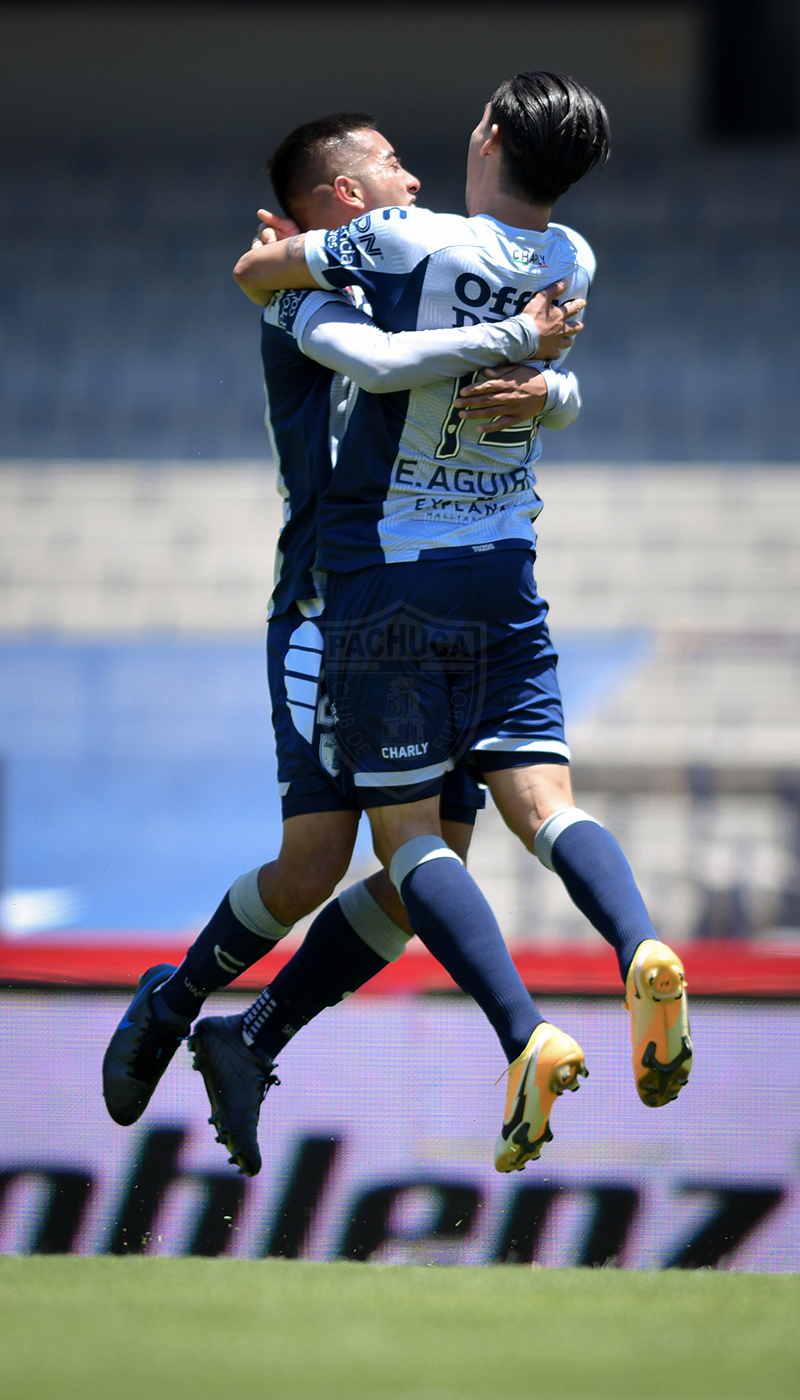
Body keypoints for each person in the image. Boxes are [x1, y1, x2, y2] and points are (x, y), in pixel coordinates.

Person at [210, 71, 692, 1176]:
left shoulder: (403, 239)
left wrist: (285, 256)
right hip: (506, 569)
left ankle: (524, 1034)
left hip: (394, 578)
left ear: (488, 138)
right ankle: (638, 944)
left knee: (409, 840)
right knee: (547, 805)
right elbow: (551, 383)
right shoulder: (573, 260)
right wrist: (544, 378)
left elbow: (265, 276)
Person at [101, 111, 585, 1173]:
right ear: (349, 199)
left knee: (424, 873)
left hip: (412, 601)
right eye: (392, 164)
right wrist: (520, 339)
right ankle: (173, 1003)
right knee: (318, 862)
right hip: (335, 607)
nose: (414, 176)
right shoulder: (306, 299)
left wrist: (548, 379)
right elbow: (381, 364)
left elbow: (519, 380)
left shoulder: (421, 276)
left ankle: (249, 1036)